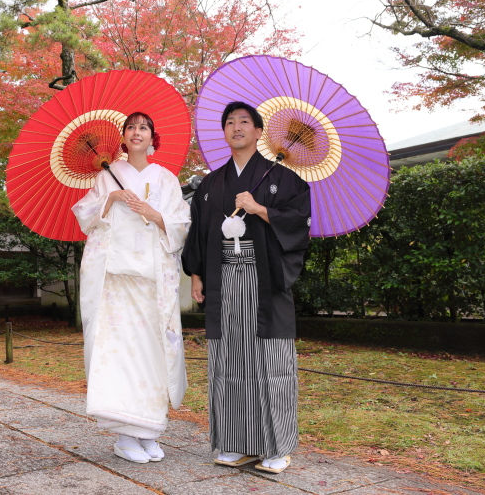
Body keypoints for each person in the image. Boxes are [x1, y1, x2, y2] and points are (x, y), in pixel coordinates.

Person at [181, 101, 311, 474]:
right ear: (224, 132)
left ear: (258, 131)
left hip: (264, 277)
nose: (236, 127)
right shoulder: (210, 184)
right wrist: (196, 273)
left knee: (272, 362)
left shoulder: (284, 179)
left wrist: (259, 209)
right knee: (229, 360)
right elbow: (200, 231)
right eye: (229, 122)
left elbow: (299, 224)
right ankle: (237, 443)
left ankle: (277, 446)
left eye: (244, 121)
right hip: (223, 279)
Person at [72, 112, 190, 464]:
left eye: (144, 127)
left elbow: (182, 223)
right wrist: (111, 199)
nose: (137, 132)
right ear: (123, 137)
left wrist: (154, 214)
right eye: (131, 127)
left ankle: (149, 430)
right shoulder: (106, 176)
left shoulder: (166, 178)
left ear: (153, 137)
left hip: (152, 280)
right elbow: (85, 215)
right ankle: (125, 436)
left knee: (152, 354)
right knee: (119, 354)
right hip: (114, 281)